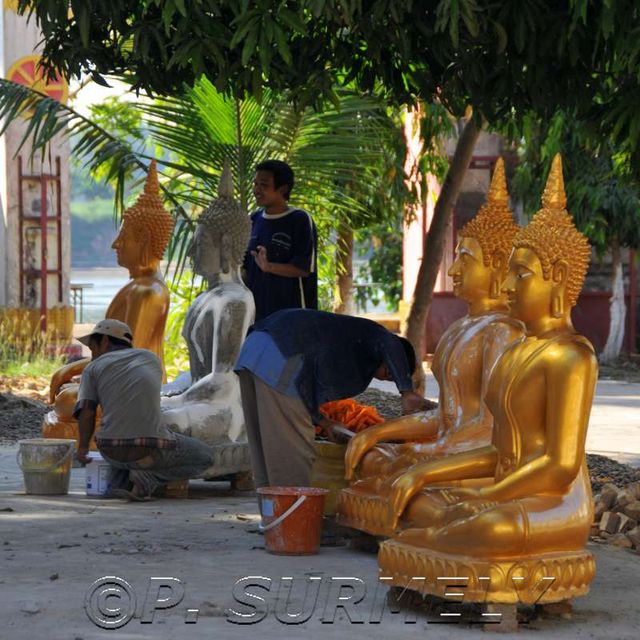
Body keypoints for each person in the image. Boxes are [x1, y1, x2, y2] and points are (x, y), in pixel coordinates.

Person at [234, 309, 429, 488]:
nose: (388, 379)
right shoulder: (375, 336)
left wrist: (325, 423)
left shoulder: (348, 348)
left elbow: (305, 388)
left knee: (266, 449)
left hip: (254, 349)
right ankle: (292, 518)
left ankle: (272, 519)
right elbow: (392, 342)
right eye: (390, 374)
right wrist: (406, 391)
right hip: (281, 353)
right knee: (292, 454)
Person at [73, 319, 215, 500]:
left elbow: (87, 412)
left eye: (94, 349)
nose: (93, 355)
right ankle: (149, 477)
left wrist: (83, 448)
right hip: (151, 448)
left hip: (111, 450)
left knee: (119, 440)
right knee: (206, 456)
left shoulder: (92, 368)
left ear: (106, 342)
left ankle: (125, 482)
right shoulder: (151, 359)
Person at [243, 159, 317, 321]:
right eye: (255, 184)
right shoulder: (254, 219)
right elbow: (245, 268)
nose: (256, 190)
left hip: (292, 319)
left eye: (264, 185)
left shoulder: (300, 219)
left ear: (283, 188)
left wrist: (269, 267)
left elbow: (303, 268)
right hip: (256, 318)